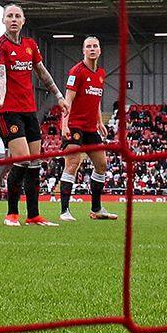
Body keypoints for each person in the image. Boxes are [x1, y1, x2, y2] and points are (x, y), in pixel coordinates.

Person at [0, 4, 51, 226]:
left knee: (34, 163)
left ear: (24, 21)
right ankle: (11, 213)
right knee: (22, 160)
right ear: (3, 20)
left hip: (28, 110)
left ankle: (33, 215)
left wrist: (59, 96)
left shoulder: (30, 45)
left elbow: (42, 73)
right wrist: (2, 99)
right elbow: (0, 74)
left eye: (17, 16)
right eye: (9, 16)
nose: (13, 19)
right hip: (7, 111)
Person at [57, 36, 118, 225]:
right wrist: (65, 124)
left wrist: (99, 122)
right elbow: (68, 100)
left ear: (100, 50)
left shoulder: (100, 73)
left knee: (101, 164)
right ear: (83, 51)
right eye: (88, 46)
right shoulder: (77, 71)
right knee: (73, 163)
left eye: (95, 46)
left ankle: (96, 208)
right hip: (75, 125)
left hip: (91, 128)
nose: (92, 49)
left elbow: (96, 99)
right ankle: (65, 210)